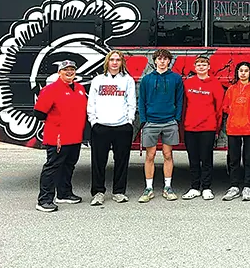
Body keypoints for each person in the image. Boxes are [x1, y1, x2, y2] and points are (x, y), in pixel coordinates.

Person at [34, 60, 88, 212]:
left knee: (69, 165)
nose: (69, 72)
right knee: (53, 167)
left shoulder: (79, 88)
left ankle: (64, 194)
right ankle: (44, 200)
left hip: (75, 136)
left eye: (72, 69)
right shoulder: (51, 89)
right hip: (57, 137)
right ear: (59, 72)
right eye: (66, 70)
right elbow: (39, 113)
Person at [87, 50, 136, 206]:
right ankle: (98, 192)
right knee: (98, 162)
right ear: (107, 62)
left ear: (122, 63)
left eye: (118, 60)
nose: (115, 63)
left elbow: (131, 102)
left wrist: (129, 121)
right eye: (112, 60)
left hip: (122, 126)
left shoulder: (128, 80)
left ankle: (119, 192)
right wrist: (93, 121)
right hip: (101, 126)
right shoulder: (98, 80)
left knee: (121, 161)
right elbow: (91, 102)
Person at [137, 49, 183, 203]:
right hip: (151, 122)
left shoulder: (176, 79)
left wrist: (176, 118)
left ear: (169, 61)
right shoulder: (147, 79)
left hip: (169, 121)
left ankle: (167, 187)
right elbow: (141, 101)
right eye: (159, 59)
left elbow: (180, 100)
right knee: (150, 155)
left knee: (168, 155)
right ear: (155, 61)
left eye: (165, 59)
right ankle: (148, 188)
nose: (162, 61)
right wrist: (144, 120)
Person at [181, 55, 224, 201]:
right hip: (190, 127)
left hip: (208, 127)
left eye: (204, 65)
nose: (201, 67)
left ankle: (206, 188)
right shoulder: (188, 83)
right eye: (198, 64)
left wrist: (217, 128)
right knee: (193, 160)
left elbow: (219, 109)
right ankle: (194, 187)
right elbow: (184, 105)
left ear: (209, 67)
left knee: (206, 159)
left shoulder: (215, 84)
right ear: (194, 67)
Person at [221, 61, 250, 202]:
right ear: (237, 73)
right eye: (240, 71)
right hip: (233, 128)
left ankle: (247, 187)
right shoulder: (231, 89)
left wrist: (248, 114)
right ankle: (234, 186)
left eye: (246, 70)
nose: (243, 73)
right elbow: (225, 107)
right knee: (233, 159)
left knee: (249, 159)